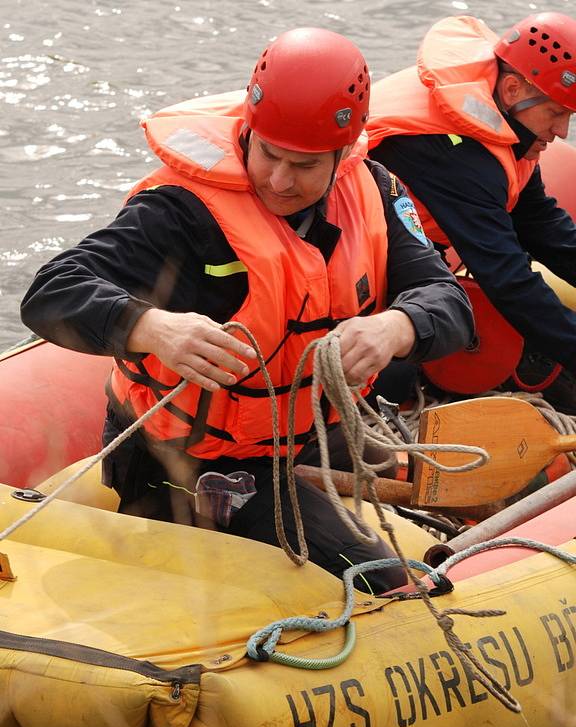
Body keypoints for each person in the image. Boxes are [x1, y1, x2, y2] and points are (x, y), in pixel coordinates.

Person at [20, 28, 473, 594]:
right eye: (268, 155)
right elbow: (51, 292)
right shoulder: (181, 210)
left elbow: (449, 301)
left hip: (303, 431)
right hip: (185, 461)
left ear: (344, 153)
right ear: (248, 133)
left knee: (438, 482)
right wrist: (152, 327)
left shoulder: (375, 190)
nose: (279, 182)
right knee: (385, 582)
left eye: (305, 166)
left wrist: (396, 326)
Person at [367, 12, 576, 412]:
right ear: (513, 88)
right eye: (556, 113)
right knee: (393, 374)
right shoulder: (457, 156)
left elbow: (542, 224)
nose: (563, 131)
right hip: (358, 246)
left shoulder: (502, 117)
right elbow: (508, 279)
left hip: (408, 233)